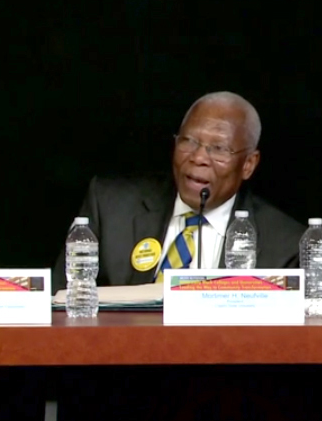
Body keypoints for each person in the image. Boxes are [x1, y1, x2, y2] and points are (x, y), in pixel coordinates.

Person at [52, 91, 305, 291]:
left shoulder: (283, 245)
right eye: (189, 141)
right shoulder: (110, 207)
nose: (198, 158)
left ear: (248, 164)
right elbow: (62, 301)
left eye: (218, 149)